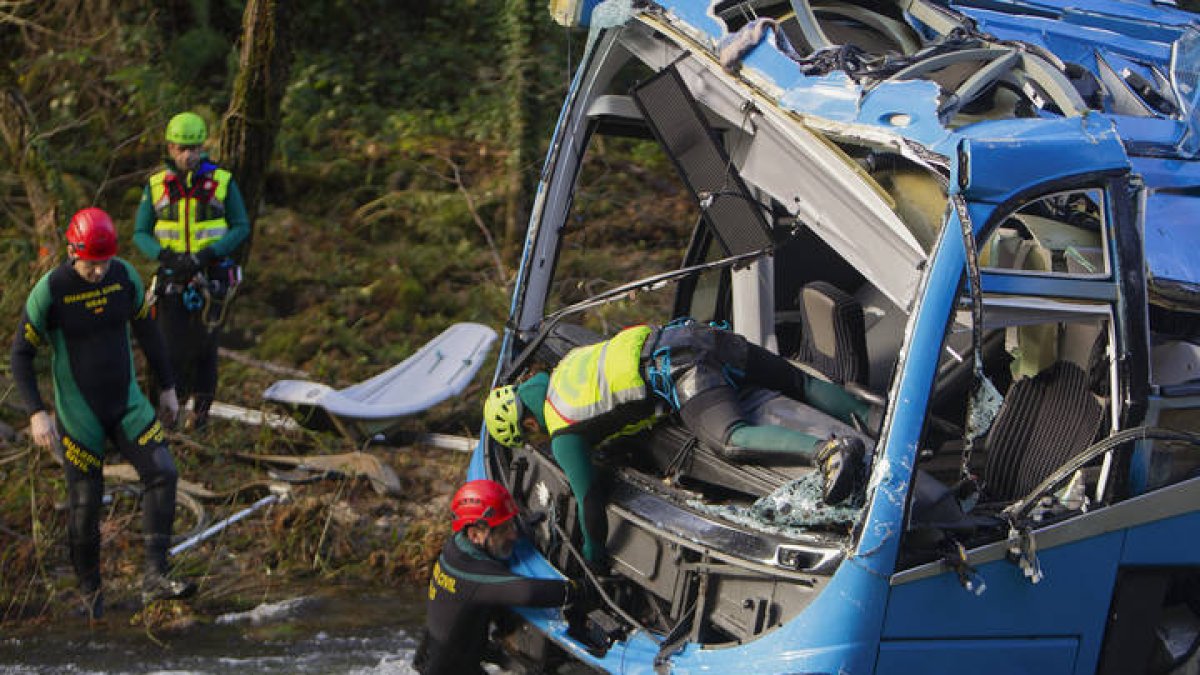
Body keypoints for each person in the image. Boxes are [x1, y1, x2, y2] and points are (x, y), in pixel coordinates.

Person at [484, 320, 871, 563]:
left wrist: (594, 554)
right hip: (694, 334)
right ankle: (874, 418)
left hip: (684, 370)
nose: (539, 439)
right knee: (797, 381)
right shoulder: (566, 367)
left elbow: (589, 500)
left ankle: (828, 451)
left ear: (529, 421)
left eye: (530, 434)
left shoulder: (563, 429)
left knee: (730, 440)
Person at [11, 208, 197, 619]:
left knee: (163, 473)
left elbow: (147, 330)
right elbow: (21, 356)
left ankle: (155, 577)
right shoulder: (52, 290)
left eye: (104, 261)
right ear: (73, 252)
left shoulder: (124, 276)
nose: (98, 271)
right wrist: (37, 413)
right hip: (80, 413)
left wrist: (167, 387)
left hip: (127, 403)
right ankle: (90, 596)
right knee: (85, 503)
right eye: (91, 263)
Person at [132, 111, 250, 430]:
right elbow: (140, 232)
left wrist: (208, 254)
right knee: (166, 347)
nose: (188, 155)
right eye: (182, 149)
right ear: (169, 148)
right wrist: (165, 256)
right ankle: (166, 414)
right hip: (172, 276)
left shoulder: (222, 181)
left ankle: (200, 417)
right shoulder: (156, 185)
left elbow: (241, 226)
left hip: (210, 277)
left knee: (206, 349)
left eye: (194, 148)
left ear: (203, 147)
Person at [414, 479, 576, 675]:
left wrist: (527, 525)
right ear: (475, 535)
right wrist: (577, 590)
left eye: (511, 525)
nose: (513, 535)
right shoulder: (472, 575)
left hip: (445, 652)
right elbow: (528, 592)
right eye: (505, 529)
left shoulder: (457, 548)